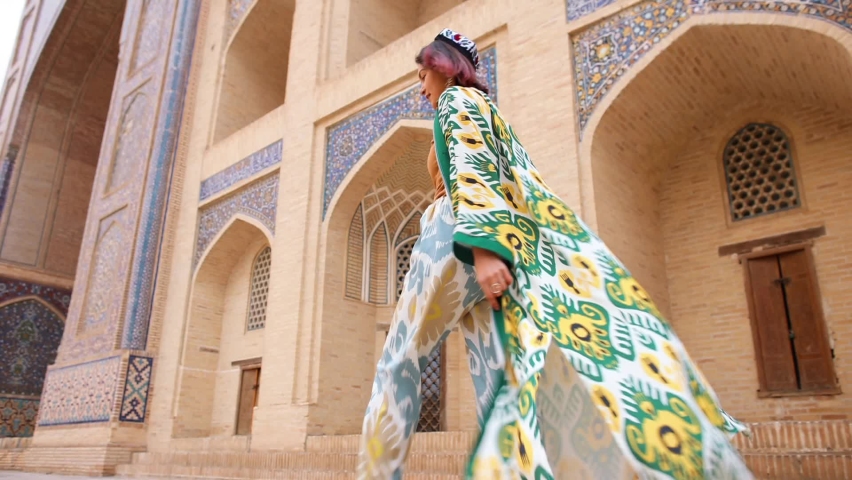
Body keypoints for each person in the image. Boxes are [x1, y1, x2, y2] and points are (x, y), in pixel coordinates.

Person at [358, 28, 754, 480]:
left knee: (399, 361)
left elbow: (471, 166)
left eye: (422, 74)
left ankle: (376, 473)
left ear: (443, 67)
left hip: (457, 234)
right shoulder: (486, 109)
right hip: (494, 241)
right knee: (500, 385)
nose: (420, 87)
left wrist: (483, 249)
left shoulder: (456, 100)